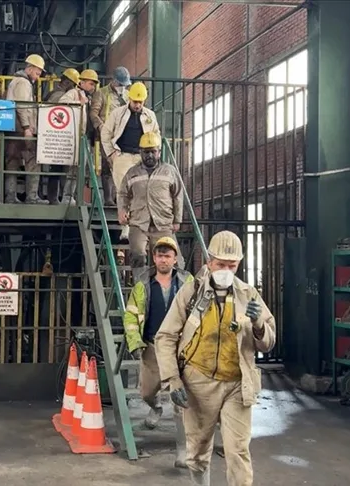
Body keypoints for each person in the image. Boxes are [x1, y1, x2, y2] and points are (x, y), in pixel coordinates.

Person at [155, 230, 277, 486]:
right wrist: (173, 380)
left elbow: (268, 343)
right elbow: (165, 337)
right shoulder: (191, 293)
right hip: (199, 383)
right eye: (220, 264)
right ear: (209, 261)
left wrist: (258, 324)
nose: (225, 269)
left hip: (236, 383)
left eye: (231, 265)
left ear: (239, 265)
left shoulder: (249, 295)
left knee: (238, 451)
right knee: (198, 453)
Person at [123, 237, 192, 451]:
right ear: (154, 258)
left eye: (167, 256)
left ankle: (183, 450)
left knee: (179, 399)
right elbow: (131, 315)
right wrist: (135, 343)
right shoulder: (143, 284)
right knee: (146, 392)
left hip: (179, 348)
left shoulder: (187, 283)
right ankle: (156, 407)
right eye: (160, 255)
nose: (163, 260)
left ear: (175, 259)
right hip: (152, 346)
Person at [117, 132, 183, 281]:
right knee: (138, 253)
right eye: (146, 152)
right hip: (139, 223)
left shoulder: (169, 171)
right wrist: (122, 210)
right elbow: (122, 194)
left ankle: (169, 287)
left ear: (159, 152)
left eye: (153, 151)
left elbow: (178, 195)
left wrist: (177, 220)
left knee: (170, 257)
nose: (149, 155)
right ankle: (141, 286)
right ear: (140, 153)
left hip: (163, 223)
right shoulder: (132, 173)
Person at [101, 81, 160, 242]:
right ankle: (125, 227)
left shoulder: (150, 116)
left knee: (142, 191)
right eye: (135, 101)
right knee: (123, 190)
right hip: (123, 157)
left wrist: (154, 155)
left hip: (142, 158)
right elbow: (105, 133)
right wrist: (111, 153)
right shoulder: (117, 114)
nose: (137, 105)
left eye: (140, 102)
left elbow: (156, 135)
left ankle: (141, 226)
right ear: (130, 99)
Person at [5, 54, 48, 204]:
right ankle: (32, 196)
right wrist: (27, 127)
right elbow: (22, 106)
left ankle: (10, 196)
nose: (39, 75)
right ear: (29, 68)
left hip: (13, 128)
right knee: (33, 161)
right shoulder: (23, 83)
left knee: (12, 161)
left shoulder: (15, 81)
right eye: (37, 72)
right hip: (22, 129)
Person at [55, 69, 98, 205]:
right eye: (91, 83)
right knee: (74, 168)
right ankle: (67, 197)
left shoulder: (87, 97)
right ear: (81, 82)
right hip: (75, 137)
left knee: (82, 169)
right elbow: (62, 104)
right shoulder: (74, 93)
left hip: (85, 137)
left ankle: (77, 198)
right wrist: (79, 103)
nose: (93, 87)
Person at [89, 66, 131, 206]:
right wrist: (101, 127)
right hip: (107, 136)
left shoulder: (127, 96)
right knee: (108, 165)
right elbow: (94, 113)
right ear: (113, 81)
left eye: (124, 85)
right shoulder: (101, 94)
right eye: (120, 84)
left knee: (122, 166)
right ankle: (108, 198)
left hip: (123, 135)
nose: (122, 87)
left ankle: (118, 198)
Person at [44, 68, 81, 204]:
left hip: (54, 136)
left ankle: (55, 198)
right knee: (58, 169)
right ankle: (54, 198)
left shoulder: (54, 93)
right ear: (68, 82)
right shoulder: (58, 96)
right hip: (57, 137)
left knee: (57, 169)